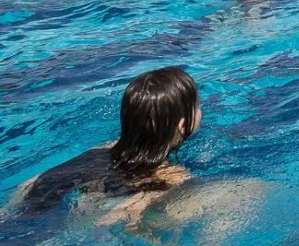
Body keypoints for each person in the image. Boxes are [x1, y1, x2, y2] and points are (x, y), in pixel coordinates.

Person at [7, 67, 200, 224]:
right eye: (197, 106)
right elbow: (117, 217)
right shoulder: (172, 175)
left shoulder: (101, 149)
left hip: (42, 189)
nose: (200, 110)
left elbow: (33, 182)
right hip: (63, 220)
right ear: (182, 125)